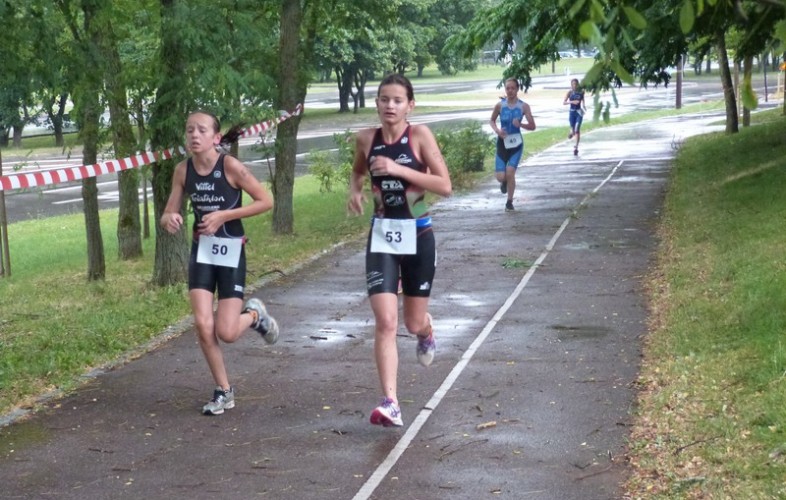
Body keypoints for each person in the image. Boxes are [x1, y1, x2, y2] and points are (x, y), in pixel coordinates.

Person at [347, 74, 452, 427]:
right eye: (383, 99)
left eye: (397, 100)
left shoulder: (419, 136)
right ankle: (390, 401)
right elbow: (358, 170)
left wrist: (398, 168)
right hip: (382, 236)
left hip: (418, 234)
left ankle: (425, 330)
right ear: (376, 103)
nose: (389, 106)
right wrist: (355, 190)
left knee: (410, 322)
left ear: (410, 105)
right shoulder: (366, 139)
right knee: (386, 321)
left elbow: (445, 186)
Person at [160, 111, 279, 416]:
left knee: (226, 332)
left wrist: (224, 215)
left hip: (230, 252)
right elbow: (168, 211)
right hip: (202, 253)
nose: (194, 136)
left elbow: (265, 201)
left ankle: (254, 315)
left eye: (201, 130)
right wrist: (170, 218)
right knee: (202, 323)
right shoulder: (182, 171)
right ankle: (224, 390)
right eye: (189, 131)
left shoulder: (230, 166)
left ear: (215, 137)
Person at [490, 77, 536, 212]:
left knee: (510, 173)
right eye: (507, 88)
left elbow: (533, 126)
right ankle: (504, 182)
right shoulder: (500, 105)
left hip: (516, 144)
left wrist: (520, 124)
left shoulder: (523, 106)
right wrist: (498, 131)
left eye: (513, 88)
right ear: (505, 90)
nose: (510, 91)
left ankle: (509, 202)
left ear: (517, 89)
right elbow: (491, 121)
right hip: (502, 143)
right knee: (501, 177)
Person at [563, 78, 587, 156]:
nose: (574, 86)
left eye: (576, 84)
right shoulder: (569, 92)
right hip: (572, 112)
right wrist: (572, 101)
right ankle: (571, 132)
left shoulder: (581, 92)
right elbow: (564, 102)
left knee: (577, 130)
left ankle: (576, 147)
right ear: (571, 85)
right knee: (573, 131)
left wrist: (584, 105)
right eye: (573, 84)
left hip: (579, 113)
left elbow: (583, 99)